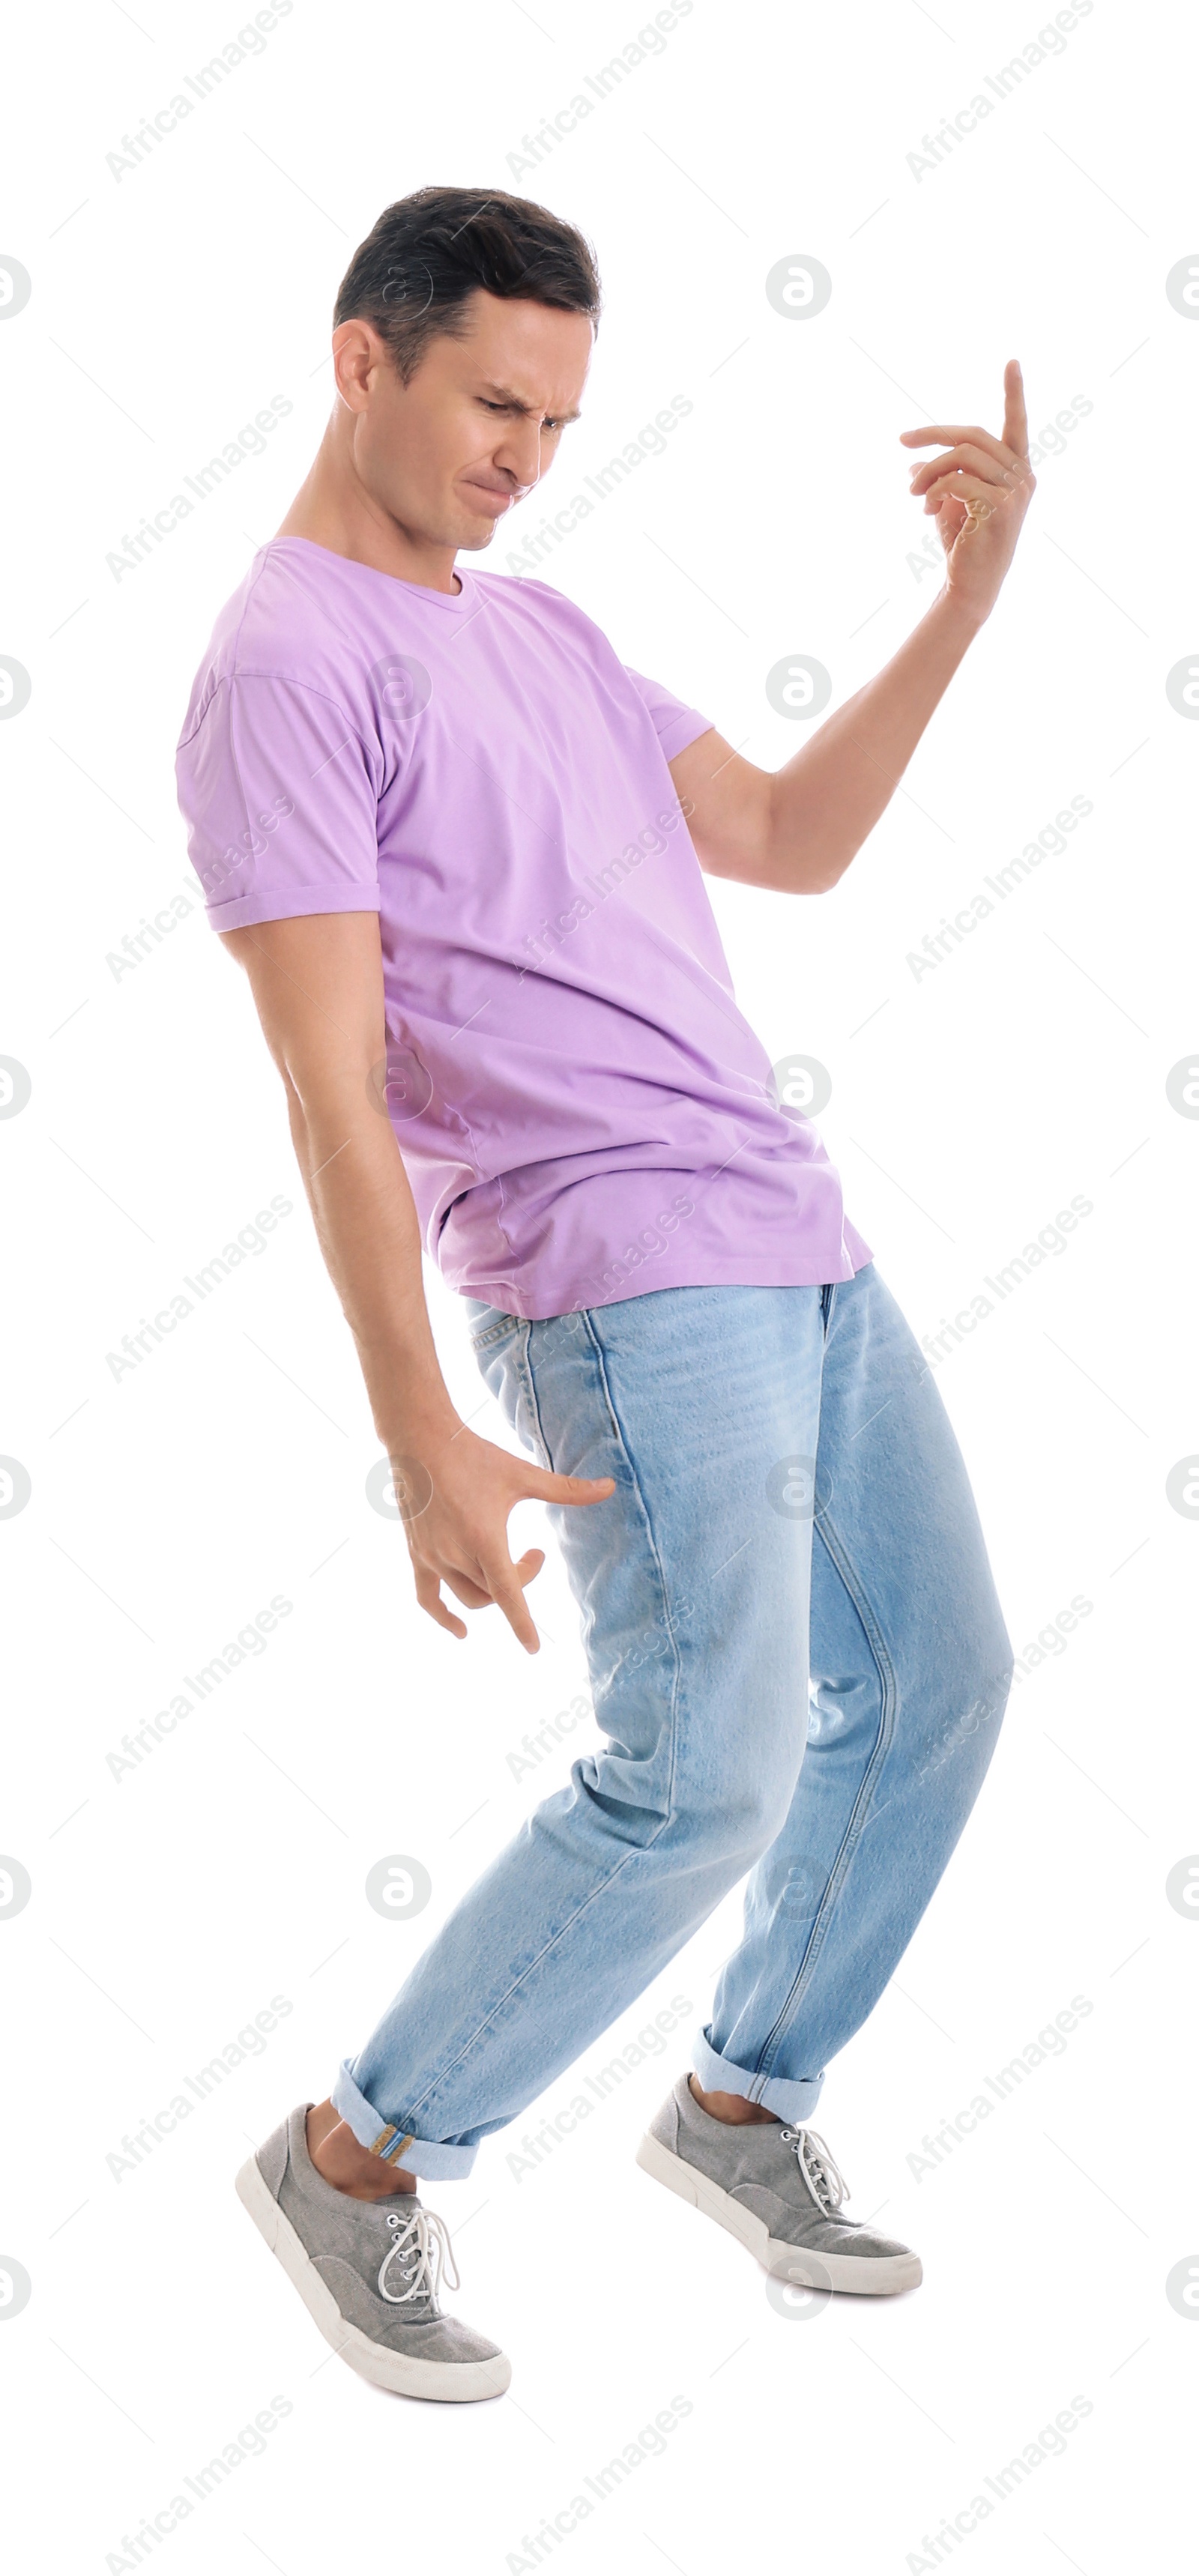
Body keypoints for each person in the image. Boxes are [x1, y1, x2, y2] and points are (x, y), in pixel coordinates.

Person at [176, 186, 1030, 2403]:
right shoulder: (284, 671)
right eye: (490, 403)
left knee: (939, 1683)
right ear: (360, 355)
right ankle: (356, 2162)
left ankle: (746, 2105)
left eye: (556, 420)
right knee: (703, 1777)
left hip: (791, 1232)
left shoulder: (537, 633)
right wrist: (418, 1434)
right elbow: (333, 1099)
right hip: (618, 1276)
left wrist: (968, 599)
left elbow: (789, 838)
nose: (523, 457)